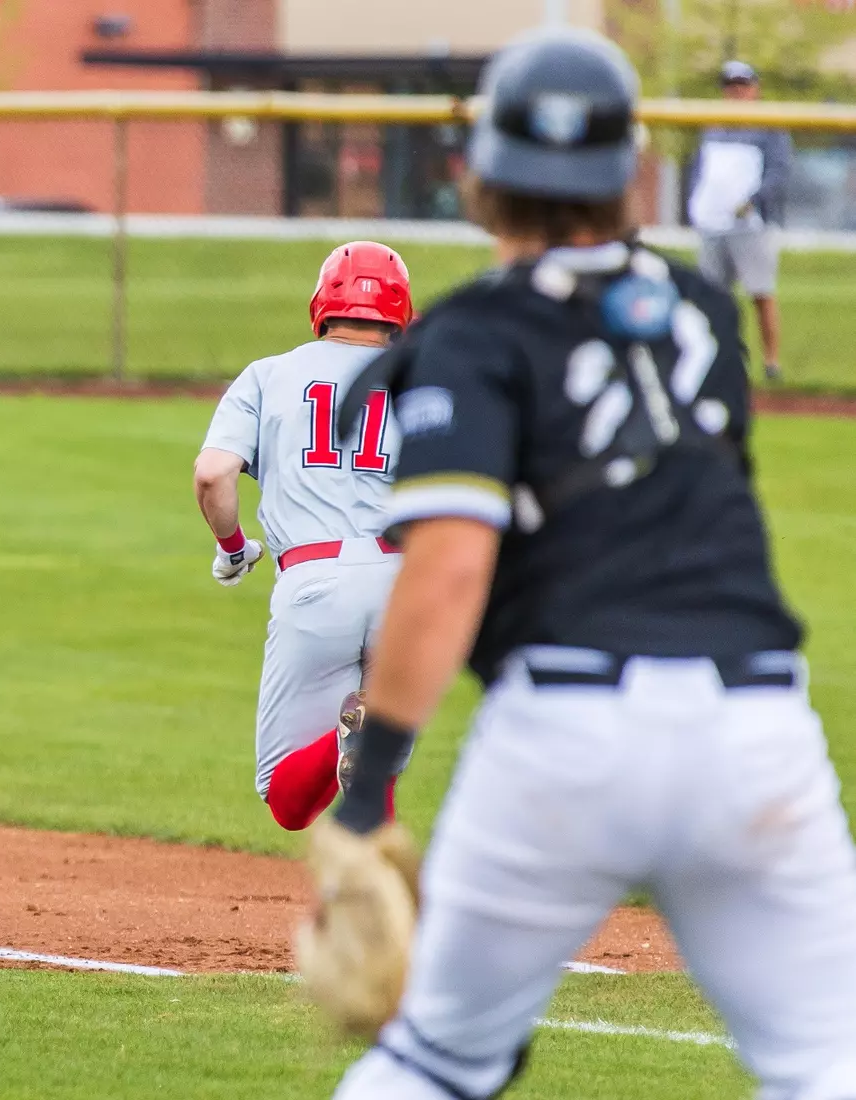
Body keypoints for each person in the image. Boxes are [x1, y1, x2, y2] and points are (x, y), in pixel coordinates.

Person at [324, 29, 856, 1098]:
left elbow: (451, 568)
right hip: (758, 736)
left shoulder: (472, 334)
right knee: (829, 1064)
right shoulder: (706, 317)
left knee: (434, 1059)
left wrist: (369, 784)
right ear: (629, 170)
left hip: (563, 740)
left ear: (475, 176)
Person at [193, 242, 413, 832]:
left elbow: (213, 474)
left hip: (315, 586)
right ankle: (383, 919)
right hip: (403, 584)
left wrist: (234, 548)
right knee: (377, 777)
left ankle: (354, 731)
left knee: (287, 799)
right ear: (400, 311)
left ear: (322, 304)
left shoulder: (270, 374)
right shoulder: (423, 379)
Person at [687, 60, 792, 382]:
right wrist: (697, 205)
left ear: (755, 88)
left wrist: (752, 202)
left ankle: (771, 363)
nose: (736, 91)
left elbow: (780, 172)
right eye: (730, 85)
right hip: (713, 225)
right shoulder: (713, 125)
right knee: (713, 296)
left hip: (751, 226)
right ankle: (719, 359)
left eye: (742, 85)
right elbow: (699, 172)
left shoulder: (769, 126)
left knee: (761, 293)